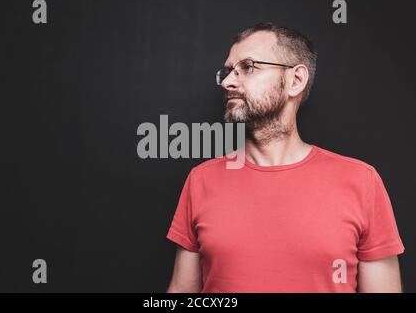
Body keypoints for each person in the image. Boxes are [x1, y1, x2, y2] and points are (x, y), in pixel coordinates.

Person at [166, 22, 404, 293]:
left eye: (248, 67)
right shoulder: (201, 180)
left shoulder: (362, 182)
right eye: (228, 71)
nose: (229, 81)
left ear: (295, 80)